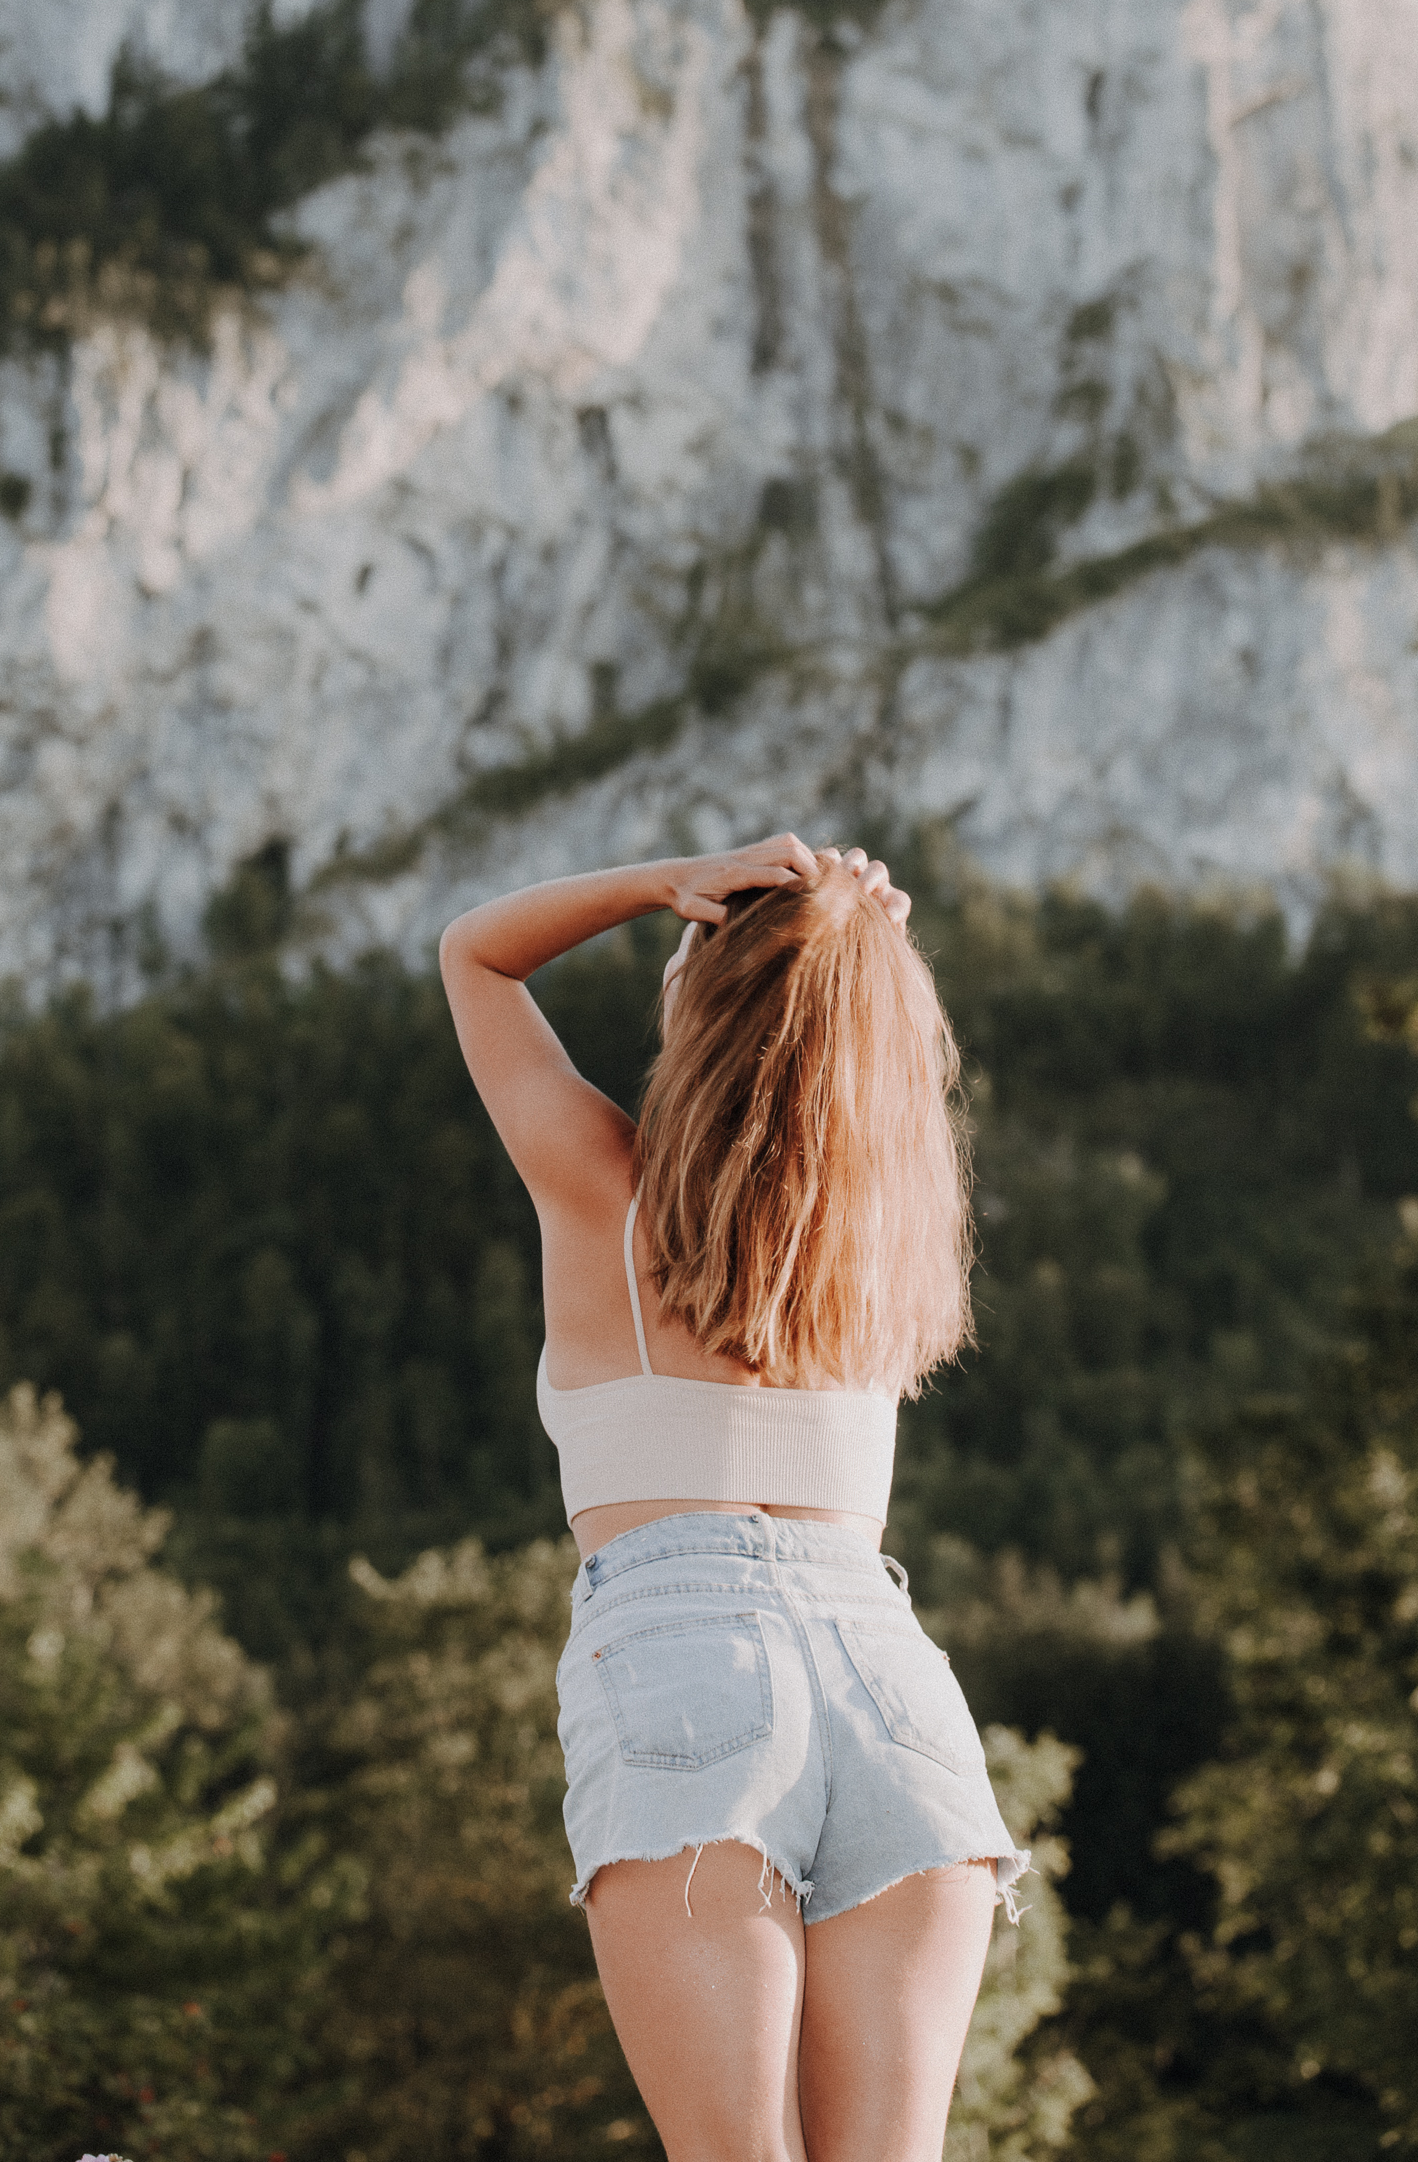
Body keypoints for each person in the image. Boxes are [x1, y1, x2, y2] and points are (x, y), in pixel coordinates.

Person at [439, 834, 1026, 2162]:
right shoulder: (878, 1250)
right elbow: (843, 1070)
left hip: (688, 1669)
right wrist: (858, 953)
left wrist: (666, 881)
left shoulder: (604, 1191)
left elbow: (475, 951)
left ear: (698, 1010)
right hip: (896, 1692)